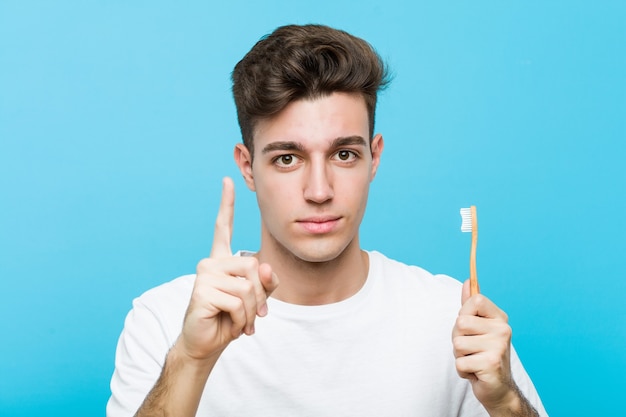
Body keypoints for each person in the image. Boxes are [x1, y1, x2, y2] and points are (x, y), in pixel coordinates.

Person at [107, 24, 548, 417]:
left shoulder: (451, 318)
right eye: (287, 158)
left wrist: (505, 403)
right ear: (247, 167)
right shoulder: (164, 322)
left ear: (373, 158)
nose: (319, 190)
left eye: (343, 154)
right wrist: (191, 359)